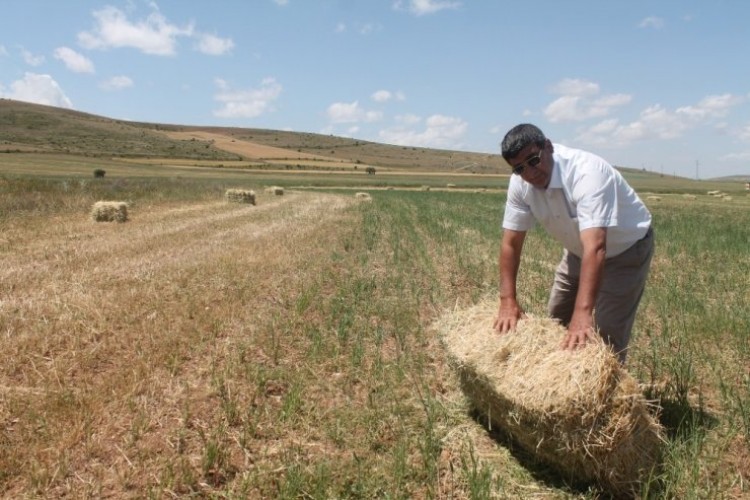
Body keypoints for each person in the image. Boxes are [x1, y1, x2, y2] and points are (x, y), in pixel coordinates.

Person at [493, 123, 654, 362]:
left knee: (605, 336)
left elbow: (597, 247)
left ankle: (608, 395)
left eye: (533, 160)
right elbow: (510, 244)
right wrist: (507, 300)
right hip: (578, 252)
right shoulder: (520, 184)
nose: (529, 173)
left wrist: (583, 313)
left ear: (548, 146)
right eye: (519, 168)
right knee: (556, 320)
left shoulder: (587, 173)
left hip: (625, 251)